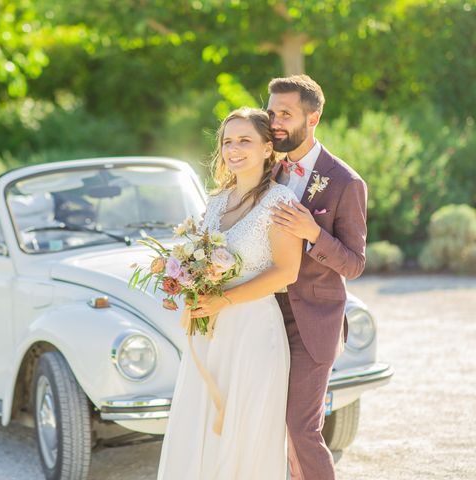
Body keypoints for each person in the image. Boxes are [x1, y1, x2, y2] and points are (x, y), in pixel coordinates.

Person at [157, 107, 303, 479]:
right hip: (211, 330)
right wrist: (189, 286)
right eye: (227, 141)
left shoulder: (280, 202)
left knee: (245, 430)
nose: (234, 149)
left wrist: (224, 300)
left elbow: (287, 272)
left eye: (245, 141)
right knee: (202, 424)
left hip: (253, 333)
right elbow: (201, 259)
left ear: (268, 148)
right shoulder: (217, 201)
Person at [267, 74, 368, 480]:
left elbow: (355, 263)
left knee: (301, 428)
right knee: (267, 424)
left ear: (314, 118)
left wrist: (313, 233)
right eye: (271, 112)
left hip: (313, 323)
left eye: (285, 114)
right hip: (264, 316)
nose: (275, 122)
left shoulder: (346, 182)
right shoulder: (265, 168)